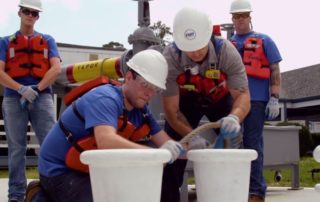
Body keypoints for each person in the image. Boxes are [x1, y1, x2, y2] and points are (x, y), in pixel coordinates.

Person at [37, 49, 190, 202]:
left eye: (155, 89)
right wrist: (156, 154)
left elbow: (166, 143)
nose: (150, 93)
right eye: (145, 85)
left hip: (91, 169)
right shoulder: (105, 98)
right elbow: (106, 141)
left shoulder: (142, 111)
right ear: (129, 77)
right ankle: (40, 197)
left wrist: (193, 148)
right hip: (59, 171)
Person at [160, 7, 251, 202]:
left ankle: (229, 195)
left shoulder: (226, 51)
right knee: (172, 155)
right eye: (189, 49)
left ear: (209, 35)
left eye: (200, 46)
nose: (195, 53)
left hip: (219, 99)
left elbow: (243, 96)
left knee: (232, 148)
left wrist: (235, 117)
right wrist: (190, 138)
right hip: (185, 103)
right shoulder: (170, 58)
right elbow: (171, 110)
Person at [0, 0, 61, 201]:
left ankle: (51, 192)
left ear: (38, 17)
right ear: (19, 13)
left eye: (35, 13)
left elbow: (55, 69)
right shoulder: (5, 42)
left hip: (42, 97)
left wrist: (37, 88)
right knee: (17, 149)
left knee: (50, 145)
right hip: (12, 98)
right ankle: (16, 196)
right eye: (27, 11)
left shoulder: (48, 40)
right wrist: (21, 89)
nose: (30, 15)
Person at [229, 0, 282, 202]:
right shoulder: (227, 45)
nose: (240, 20)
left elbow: (275, 69)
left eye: (244, 15)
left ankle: (256, 192)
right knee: (231, 145)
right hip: (232, 102)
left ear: (250, 17)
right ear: (232, 20)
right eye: (236, 16)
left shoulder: (265, 40)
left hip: (257, 100)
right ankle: (235, 187)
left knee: (253, 144)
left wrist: (275, 98)